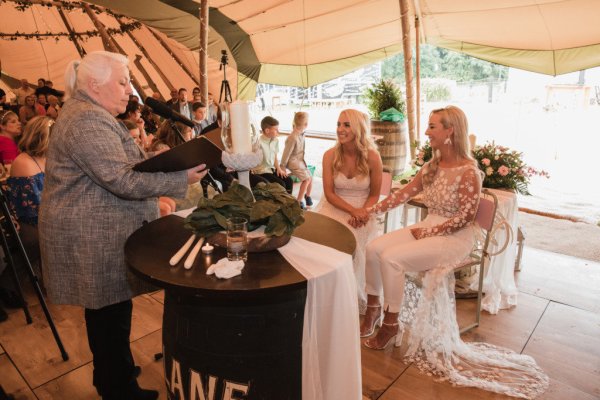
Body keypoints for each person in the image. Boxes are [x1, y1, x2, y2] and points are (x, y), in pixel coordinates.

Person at [38, 51, 207, 400]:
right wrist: (180, 176)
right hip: (91, 236)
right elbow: (122, 180)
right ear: (94, 84)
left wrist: (168, 160)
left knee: (111, 310)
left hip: (97, 231)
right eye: (123, 80)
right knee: (109, 314)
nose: (130, 90)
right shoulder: (87, 120)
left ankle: (115, 375)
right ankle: (119, 390)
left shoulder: (95, 114)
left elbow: (130, 163)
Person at [359, 106, 548, 398]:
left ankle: (391, 322)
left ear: (451, 131)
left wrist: (429, 231)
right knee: (374, 247)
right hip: (430, 227)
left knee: (393, 259)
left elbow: (466, 217)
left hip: (455, 237)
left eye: (432, 127)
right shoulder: (431, 167)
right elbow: (402, 194)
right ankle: (373, 306)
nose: (426, 132)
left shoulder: (470, 171)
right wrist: (369, 211)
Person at [314, 109, 382, 312]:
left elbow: (374, 195)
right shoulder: (329, 156)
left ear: (358, 129)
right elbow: (329, 193)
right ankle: (329, 298)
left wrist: (363, 213)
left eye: (346, 125)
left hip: (363, 211)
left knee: (356, 242)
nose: (340, 130)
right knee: (328, 244)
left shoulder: (372, 156)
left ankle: (349, 302)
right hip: (335, 207)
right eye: (338, 124)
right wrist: (353, 211)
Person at [6, 116, 53, 277]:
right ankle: (9, 281)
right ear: (41, 138)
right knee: (39, 239)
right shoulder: (23, 162)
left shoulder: (46, 157)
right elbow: (31, 206)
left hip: (43, 214)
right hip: (26, 219)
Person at [253, 116, 293, 194]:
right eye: (276, 129)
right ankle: (281, 204)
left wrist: (279, 169)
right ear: (267, 130)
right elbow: (251, 158)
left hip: (271, 169)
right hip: (261, 171)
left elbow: (274, 156)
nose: (278, 131)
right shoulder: (257, 143)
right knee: (281, 184)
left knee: (289, 180)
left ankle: (288, 203)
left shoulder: (275, 141)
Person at [280, 112, 313, 208]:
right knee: (306, 179)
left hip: (300, 161)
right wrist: (283, 167)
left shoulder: (301, 134)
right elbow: (286, 154)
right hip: (293, 162)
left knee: (311, 176)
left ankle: (308, 196)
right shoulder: (292, 137)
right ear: (306, 124)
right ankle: (299, 201)